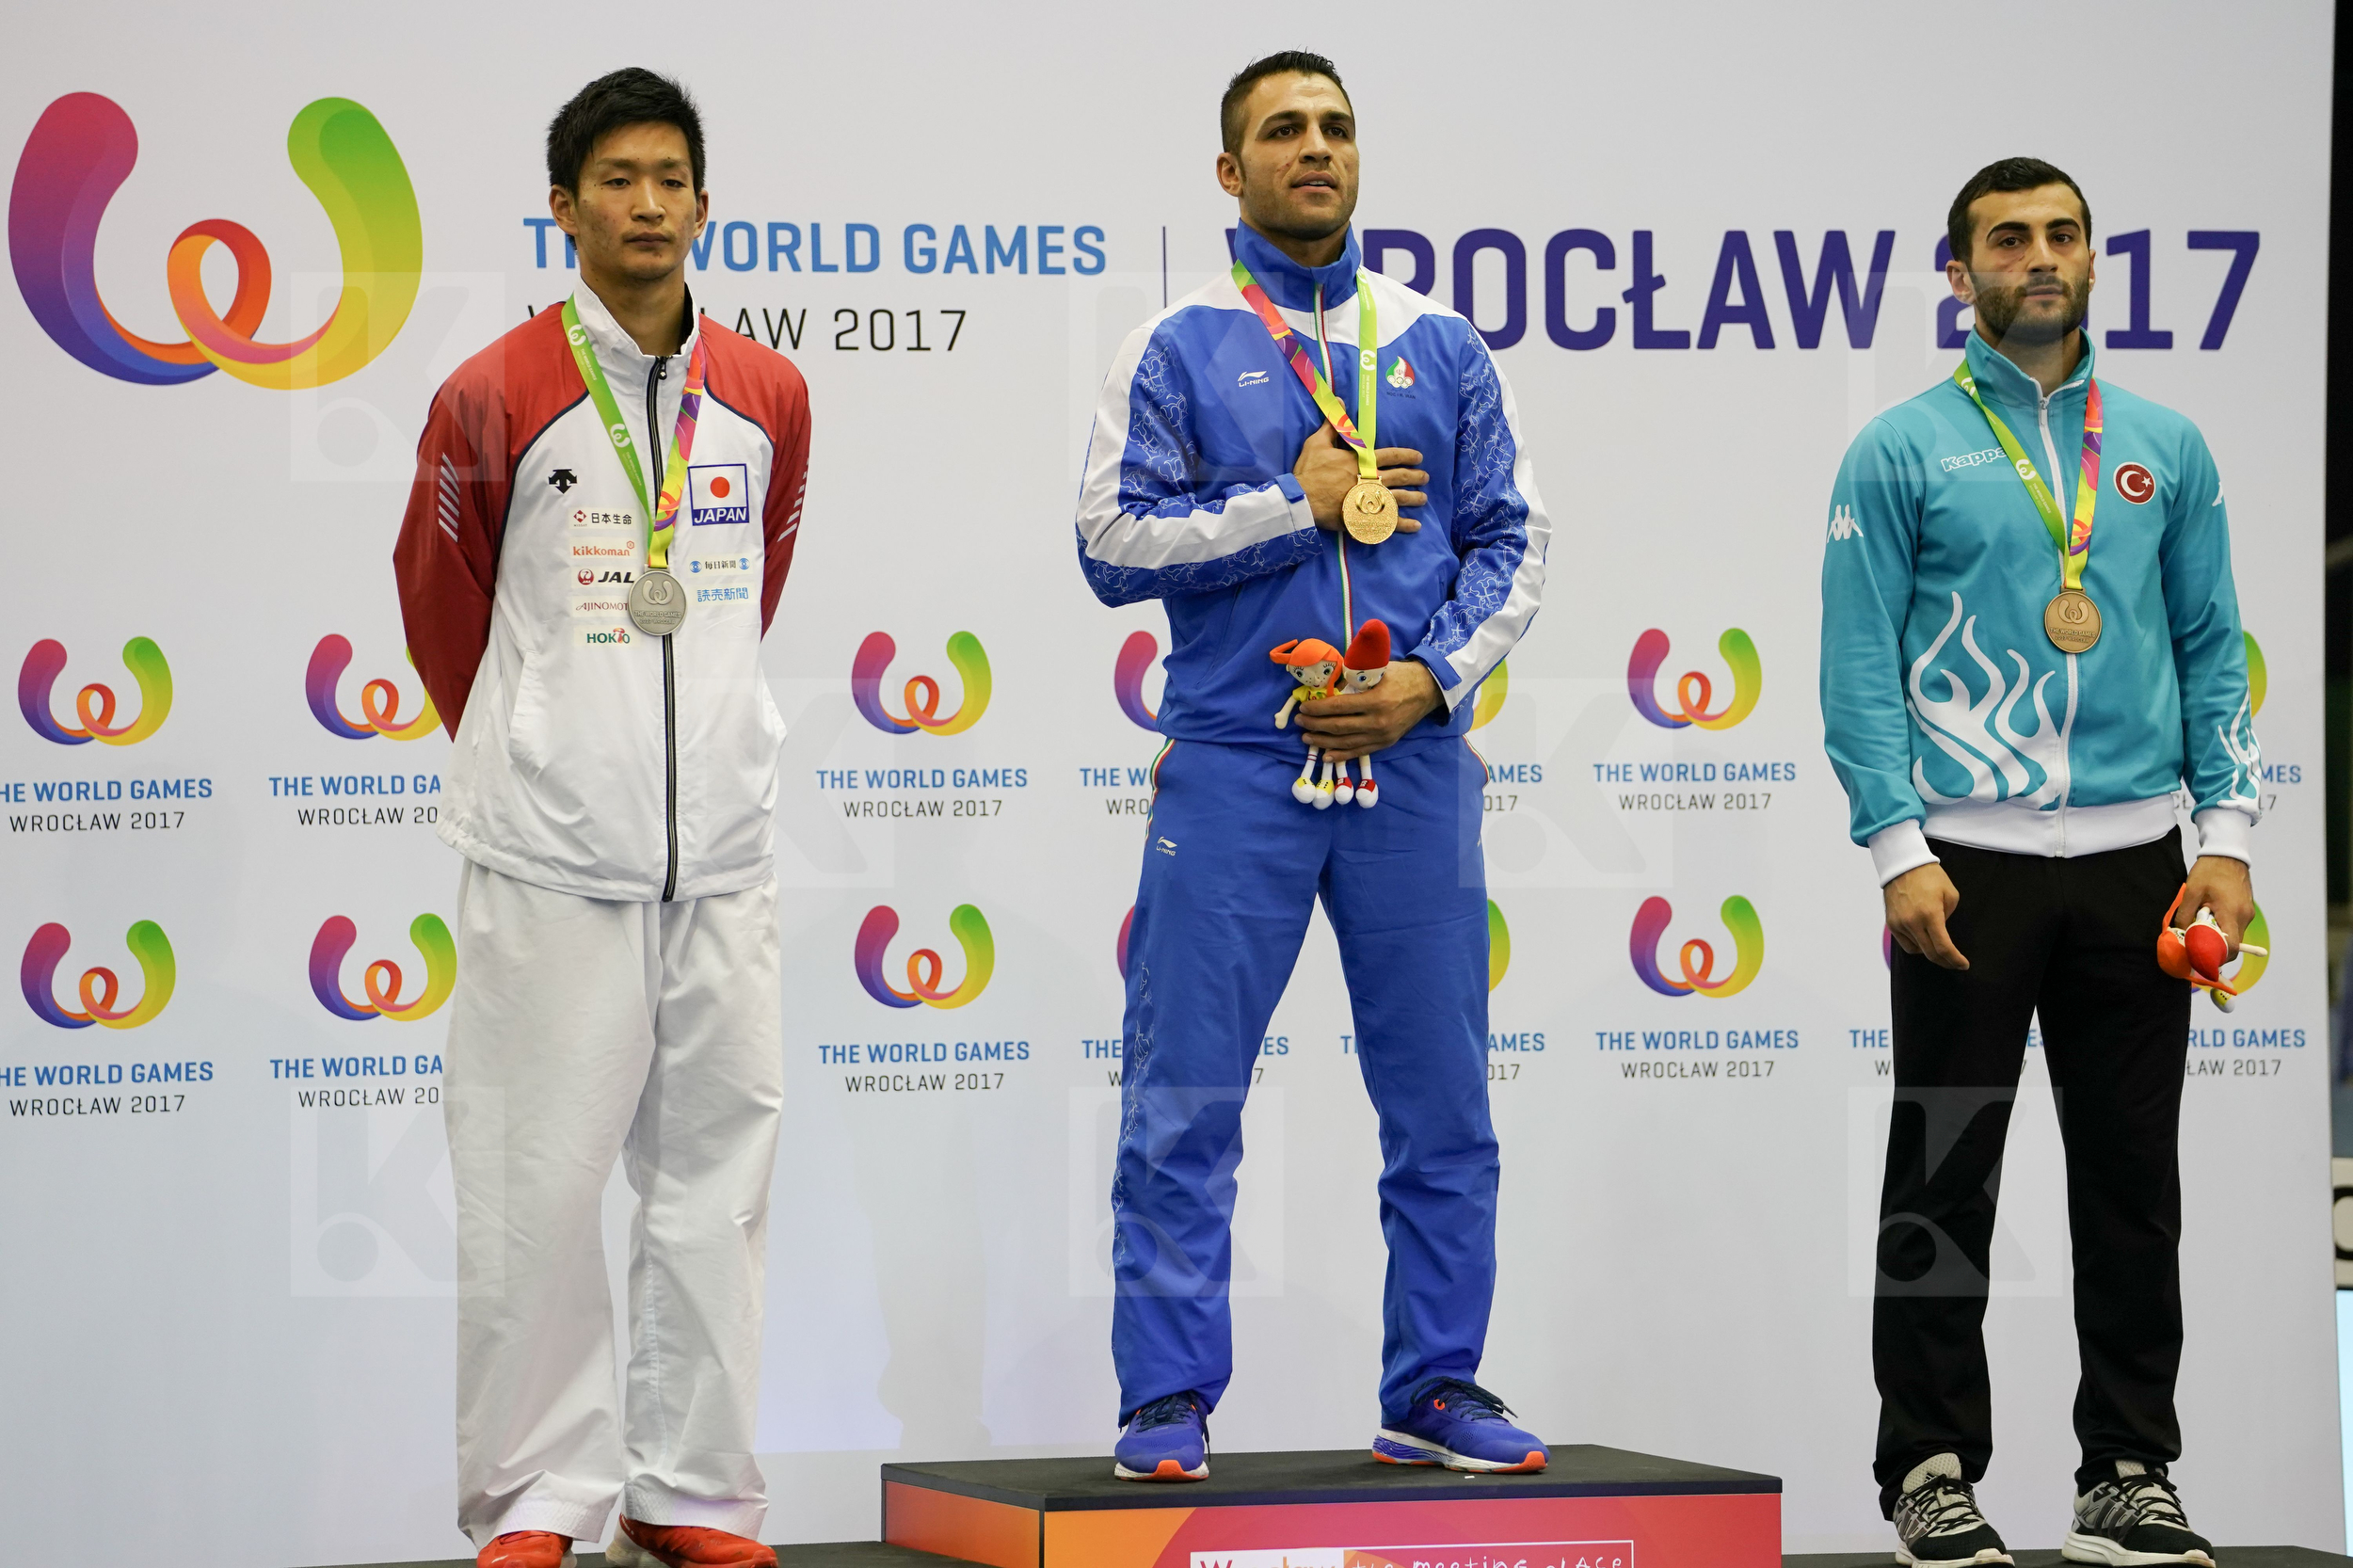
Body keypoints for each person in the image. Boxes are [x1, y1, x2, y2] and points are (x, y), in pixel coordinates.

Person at [1074, 51, 1552, 1482]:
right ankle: (1165, 1398)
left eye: (1336, 128)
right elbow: (1111, 544)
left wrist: (1430, 680)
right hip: (1236, 760)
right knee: (1185, 1095)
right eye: (1283, 131)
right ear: (1231, 172)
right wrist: (1300, 506)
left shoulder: (1443, 345)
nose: (1316, 149)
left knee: (1444, 1100)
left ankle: (1437, 1385)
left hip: (1409, 762)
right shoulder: (1177, 344)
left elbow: (1513, 541)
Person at [392, 68, 811, 1568]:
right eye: (615, 179)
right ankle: (538, 1500)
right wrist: (549, 746)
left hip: (726, 862)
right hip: (554, 858)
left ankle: (690, 1488)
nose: (647, 204)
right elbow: (444, 614)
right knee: (537, 1188)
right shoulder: (494, 390)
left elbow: (752, 592)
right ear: (562, 206)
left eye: (671, 178)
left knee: (717, 1184)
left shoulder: (768, 397)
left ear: (706, 203)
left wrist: (697, 753)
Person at [1820, 157, 2257, 1568]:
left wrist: (2229, 838)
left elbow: (2209, 647)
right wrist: (1898, 847)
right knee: (1941, 1170)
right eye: (2010, 239)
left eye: (2063, 233)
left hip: (2141, 866)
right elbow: (1859, 673)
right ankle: (1928, 1464)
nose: (2042, 256)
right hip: (1965, 867)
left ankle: (2128, 1465)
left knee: (2132, 1179)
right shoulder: (1900, 449)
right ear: (1959, 273)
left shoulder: (2165, 446)